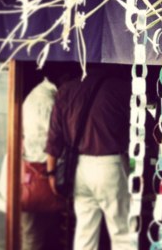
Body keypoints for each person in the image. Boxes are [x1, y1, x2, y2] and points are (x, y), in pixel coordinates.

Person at [45, 66, 132, 250]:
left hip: (78, 167)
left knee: (85, 230)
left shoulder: (67, 90)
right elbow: (138, 127)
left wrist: (51, 172)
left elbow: (54, 136)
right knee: (122, 231)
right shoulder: (120, 88)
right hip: (109, 165)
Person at [21, 72, 60, 249]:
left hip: (30, 168)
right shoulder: (47, 101)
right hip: (39, 170)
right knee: (33, 231)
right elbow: (54, 139)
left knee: (33, 229)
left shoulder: (35, 95)